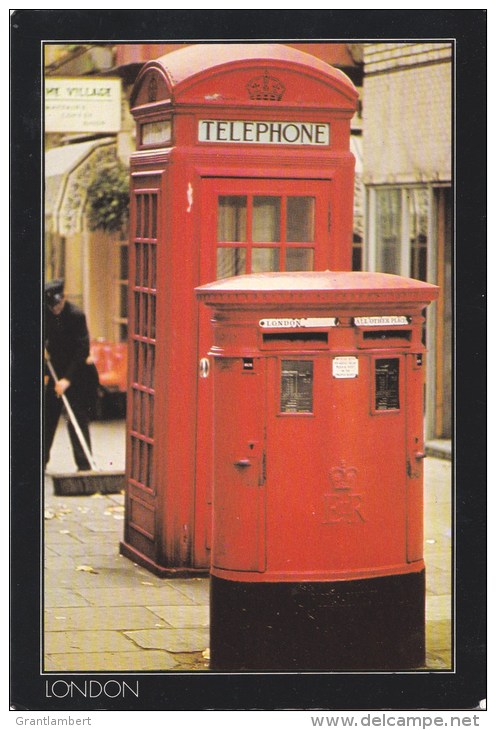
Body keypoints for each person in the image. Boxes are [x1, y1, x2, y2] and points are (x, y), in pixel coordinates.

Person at [44, 279, 99, 471]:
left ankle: (84, 465)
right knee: (47, 418)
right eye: (51, 305)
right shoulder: (46, 313)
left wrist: (67, 380)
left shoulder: (76, 316)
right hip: (54, 372)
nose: (55, 308)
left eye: (58, 304)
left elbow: (82, 349)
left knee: (77, 418)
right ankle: (40, 462)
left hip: (77, 374)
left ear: (64, 298)